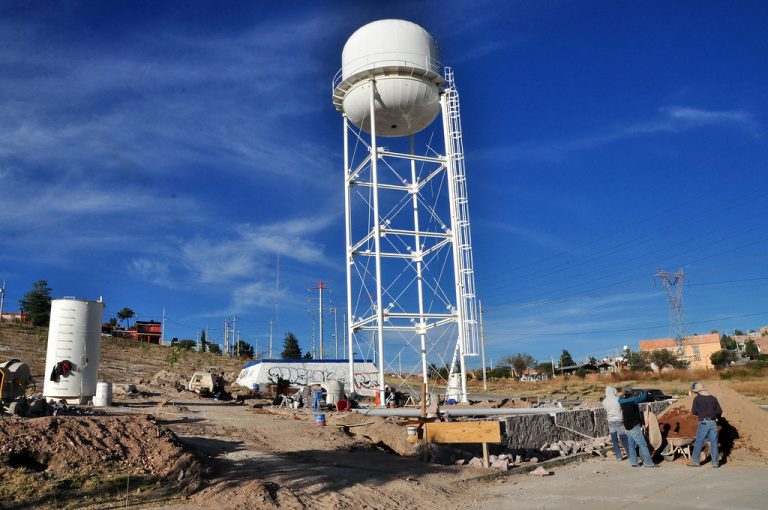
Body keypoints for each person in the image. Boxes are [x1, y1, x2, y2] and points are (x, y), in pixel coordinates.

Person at [618, 386, 657, 468]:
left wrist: (623, 393)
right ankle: (648, 463)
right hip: (634, 426)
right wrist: (644, 390)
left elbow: (620, 397)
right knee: (643, 445)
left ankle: (634, 462)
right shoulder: (633, 400)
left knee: (631, 445)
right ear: (631, 393)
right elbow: (644, 397)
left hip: (627, 426)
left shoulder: (621, 401)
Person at [688, 382, 722, 468]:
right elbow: (719, 411)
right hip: (713, 422)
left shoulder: (697, 399)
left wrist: (701, 412)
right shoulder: (713, 398)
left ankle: (696, 461)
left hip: (703, 422)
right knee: (714, 442)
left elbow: (694, 412)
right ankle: (715, 463)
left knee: (699, 441)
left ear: (697, 391)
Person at [602, 386, 631, 461]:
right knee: (623, 437)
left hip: (610, 421)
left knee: (614, 440)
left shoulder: (604, 401)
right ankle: (630, 454)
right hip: (619, 420)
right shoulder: (618, 399)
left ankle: (618, 456)